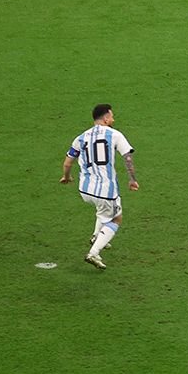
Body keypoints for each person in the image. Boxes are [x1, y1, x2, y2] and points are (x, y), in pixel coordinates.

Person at [60, 104, 138, 269]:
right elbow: (128, 158)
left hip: (85, 189)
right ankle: (93, 253)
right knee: (116, 218)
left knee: (105, 208)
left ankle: (97, 235)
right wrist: (132, 179)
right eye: (112, 116)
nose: (113, 119)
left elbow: (67, 163)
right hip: (105, 189)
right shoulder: (115, 134)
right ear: (105, 118)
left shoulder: (81, 137)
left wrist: (66, 178)